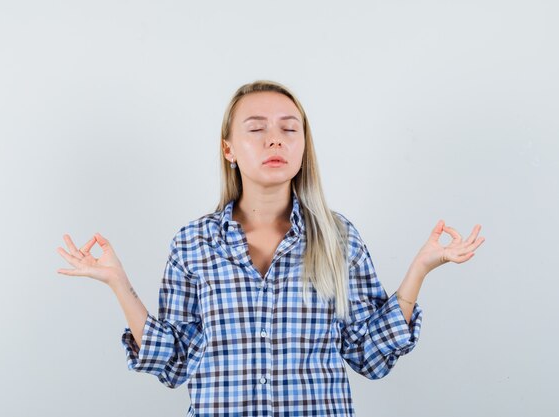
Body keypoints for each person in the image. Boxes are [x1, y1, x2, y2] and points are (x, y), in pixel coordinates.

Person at [56, 80, 485, 416]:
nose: (274, 140)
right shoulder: (192, 243)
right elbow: (177, 363)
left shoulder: (338, 237)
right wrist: (119, 283)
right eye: (256, 129)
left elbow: (369, 355)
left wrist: (421, 268)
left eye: (288, 129)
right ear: (229, 149)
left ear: (303, 146)